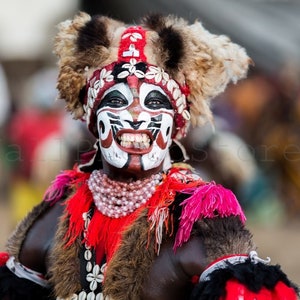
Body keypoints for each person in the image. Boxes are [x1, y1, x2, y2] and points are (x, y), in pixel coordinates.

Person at [0, 12, 298, 300]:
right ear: (93, 120)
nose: (135, 117)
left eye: (154, 102)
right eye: (116, 100)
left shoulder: (200, 226)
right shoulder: (53, 218)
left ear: (175, 126)